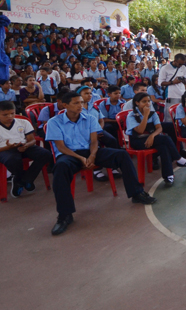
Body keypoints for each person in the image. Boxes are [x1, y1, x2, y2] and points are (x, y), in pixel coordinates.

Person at [46, 91, 157, 235]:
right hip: (69, 154)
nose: (80, 105)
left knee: (122, 155)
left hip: (90, 151)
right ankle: (64, 215)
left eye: (81, 102)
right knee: (60, 168)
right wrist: (81, 159)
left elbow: (94, 141)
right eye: (76, 103)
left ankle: (137, 193)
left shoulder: (90, 118)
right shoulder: (54, 122)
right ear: (65, 105)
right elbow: (60, 147)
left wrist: (92, 155)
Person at [128, 92, 186, 185]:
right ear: (137, 103)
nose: (147, 103)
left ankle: (168, 175)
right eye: (144, 101)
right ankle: (178, 158)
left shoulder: (152, 113)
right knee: (165, 139)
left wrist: (152, 136)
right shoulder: (132, 115)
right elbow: (140, 131)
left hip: (151, 138)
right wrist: (145, 115)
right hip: (138, 140)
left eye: (148, 101)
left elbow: (159, 128)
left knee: (164, 147)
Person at [0, 101, 52, 198]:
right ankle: (21, 179)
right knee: (13, 160)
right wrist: (7, 147)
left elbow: (32, 140)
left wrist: (26, 145)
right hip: (4, 150)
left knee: (45, 154)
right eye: (5, 115)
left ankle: (24, 179)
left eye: (12, 113)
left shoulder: (23, 122)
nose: (10, 117)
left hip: (23, 146)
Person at [160, 53, 186, 122]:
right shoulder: (165, 68)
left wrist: (184, 80)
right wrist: (173, 82)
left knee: (181, 116)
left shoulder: (183, 68)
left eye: (182, 64)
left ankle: (179, 131)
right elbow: (161, 83)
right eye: (179, 64)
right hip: (171, 95)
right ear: (175, 61)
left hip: (181, 95)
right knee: (170, 117)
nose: (181, 66)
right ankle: (169, 132)